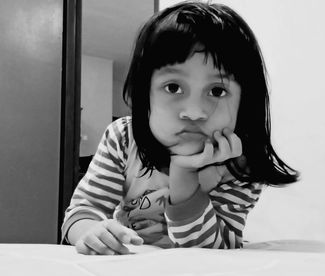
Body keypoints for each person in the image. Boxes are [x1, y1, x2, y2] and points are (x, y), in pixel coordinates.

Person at [61, 1, 299, 255]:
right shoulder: (123, 138)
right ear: (145, 94)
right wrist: (90, 231)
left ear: (245, 103)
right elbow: (83, 209)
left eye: (217, 91)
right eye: (173, 87)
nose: (194, 112)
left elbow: (215, 252)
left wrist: (185, 177)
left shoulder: (239, 165)